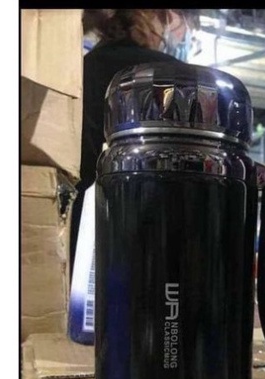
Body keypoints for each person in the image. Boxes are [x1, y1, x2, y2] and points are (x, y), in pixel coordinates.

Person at [70, 9, 197, 272]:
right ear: (164, 16)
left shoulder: (85, 67)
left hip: (85, 240)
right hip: (158, 245)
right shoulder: (177, 76)